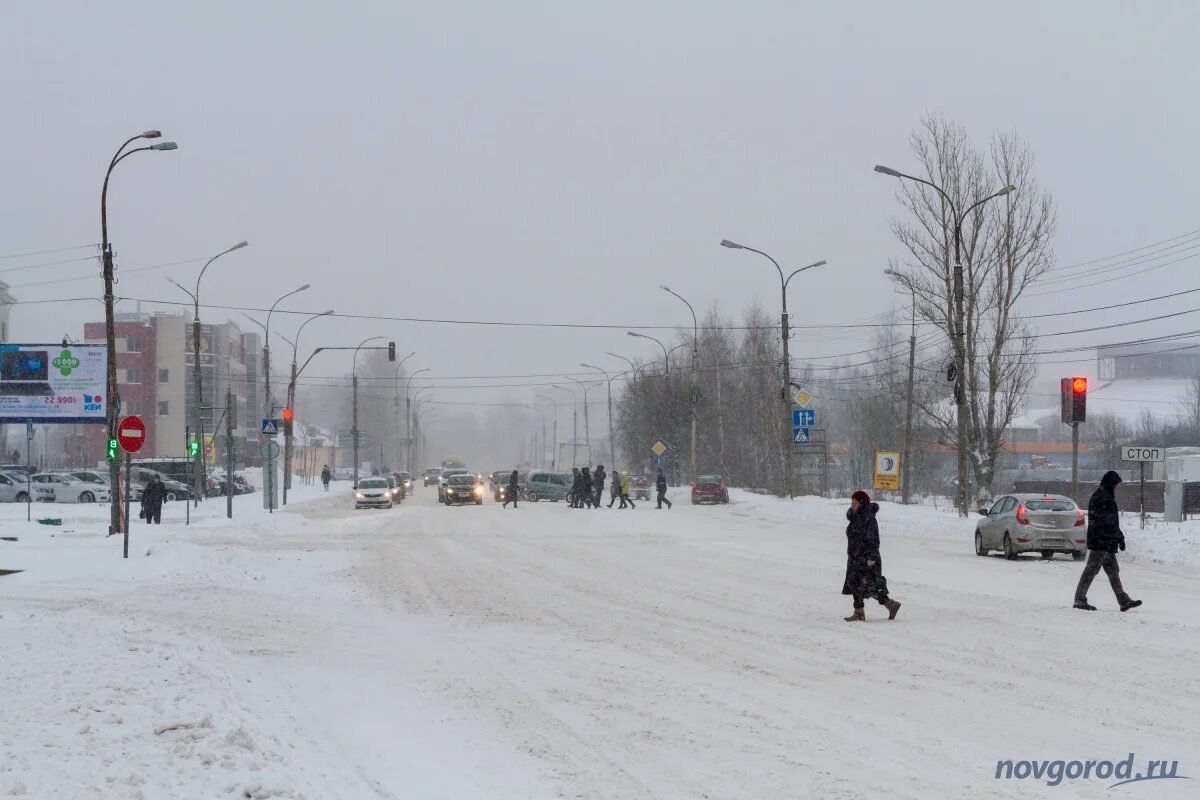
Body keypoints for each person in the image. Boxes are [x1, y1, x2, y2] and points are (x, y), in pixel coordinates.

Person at [1074, 471, 1142, 611]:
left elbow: (1110, 522)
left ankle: (1123, 600)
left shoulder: (1105, 496)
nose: (1117, 487)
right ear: (1110, 483)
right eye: (1116, 484)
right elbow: (1107, 522)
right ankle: (1079, 600)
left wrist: (1118, 536)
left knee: (1113, 570)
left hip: (1106, 540)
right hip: (1101, 540)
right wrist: (1118, 536)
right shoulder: (1102, 498)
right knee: (1091, 570)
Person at [842, 490, 901, 622]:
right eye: (852, 503)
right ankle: (883, 606)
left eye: (855, 503)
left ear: (862, 503)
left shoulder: (869, 519)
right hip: (854, 557)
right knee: (856, 584)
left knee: (866, 585)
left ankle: (885, 606)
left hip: (866, 558)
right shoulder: (855, 517)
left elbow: (873, 541)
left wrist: (872, 558)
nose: (852, 505)